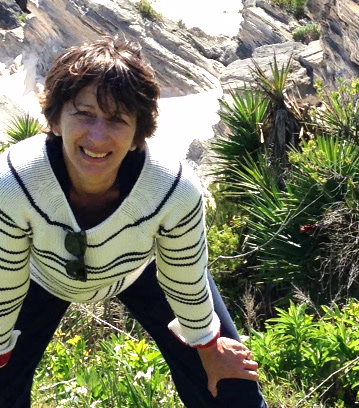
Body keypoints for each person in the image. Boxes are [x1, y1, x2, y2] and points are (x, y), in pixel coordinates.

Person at [0, 37, 267, 407]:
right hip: (39, 273)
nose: (98, 136)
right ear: (56, 120)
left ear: (138, 134)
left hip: (143, 267)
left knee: (232, 389)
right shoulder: (13, 182)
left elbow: (186, 278)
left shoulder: (172, 188)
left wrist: (209, 348)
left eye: (117, 119)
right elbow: (4, 281)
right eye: (84, 114)